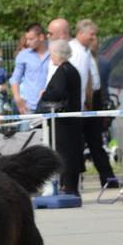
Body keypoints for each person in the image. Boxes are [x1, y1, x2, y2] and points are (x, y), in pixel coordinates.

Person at [68, 19, 118, 188]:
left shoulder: (86, 51)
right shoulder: (76, 52)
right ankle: (74, 181)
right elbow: (80, 80)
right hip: (84, 101)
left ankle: (108, 178)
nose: (94, 38)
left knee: (96, 142)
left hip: (94, 99)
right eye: (91, 34)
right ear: (81, 33)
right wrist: (82, 104)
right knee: (77, 144)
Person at [36, 39, 82, 195]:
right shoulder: (72, 70)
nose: (51, 57)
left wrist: (45, 94)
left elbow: (58, 92)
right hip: (71, 119)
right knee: (71, 152)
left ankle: (67, 186)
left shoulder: (63, 71)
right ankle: (70, 186)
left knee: (64, 153)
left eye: (52, 54)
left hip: (63, 120)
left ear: (58, 54)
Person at [9, 23, 49, 118]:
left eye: (31, 39)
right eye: (27, 39)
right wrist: (17, 98)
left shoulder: (54, 52)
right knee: (27, 133)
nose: (27, 42)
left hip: (49, 107)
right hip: (28, 107)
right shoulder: (23, 55)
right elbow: (15, 78)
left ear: (41, 37)